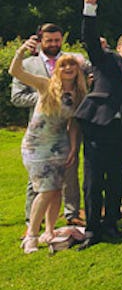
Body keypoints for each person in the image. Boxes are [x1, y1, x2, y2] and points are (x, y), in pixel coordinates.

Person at [74, 0, 122, 250]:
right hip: (96, 125)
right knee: (93, 181)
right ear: (118, 46)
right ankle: (92, 229)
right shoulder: (105, 60)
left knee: (116, 178)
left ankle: (111, 223)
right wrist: (89, 8)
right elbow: (90, 39)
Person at [10, 38, 86, 253]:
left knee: (56, 191)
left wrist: (72, 148)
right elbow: (16, 72)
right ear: (58, 69)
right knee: (44, 190)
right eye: (63, 64)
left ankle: (49, 231)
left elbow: (73, 125)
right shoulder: (45, 85)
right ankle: (32, 236)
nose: (68, 68)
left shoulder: (80, 94)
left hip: (60, 145)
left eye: (72, 64)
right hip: (36, 146)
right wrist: (21, 52)